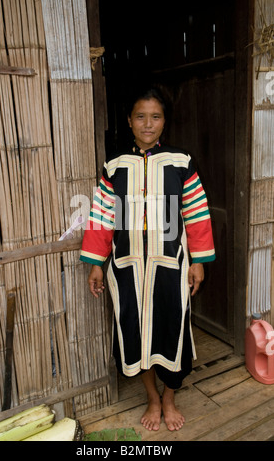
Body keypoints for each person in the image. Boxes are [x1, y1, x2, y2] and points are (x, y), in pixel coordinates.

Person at [80, 87, 215, 432]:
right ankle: (152, 398)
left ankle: (170, 398)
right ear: (129, 121)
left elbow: (197, 215)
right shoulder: (115, 166)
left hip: (171, 267)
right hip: (127, 269)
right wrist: (97, 263)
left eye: (155, 116)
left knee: (172, 330)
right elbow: (101, 217)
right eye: (140, 116)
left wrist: (197, 261)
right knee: (136, 332)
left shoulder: (181, 162)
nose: (148, 123)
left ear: (164, 121)